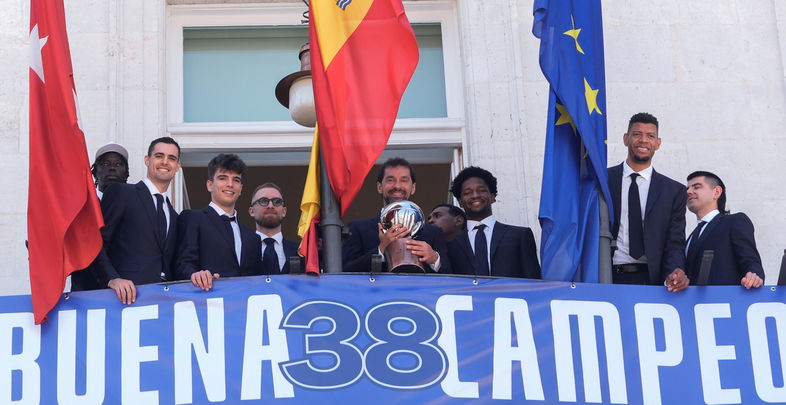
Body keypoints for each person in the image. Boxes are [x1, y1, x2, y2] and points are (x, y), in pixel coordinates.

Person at [93, 137, 181, 304]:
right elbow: (96, 241)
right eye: (159, 156)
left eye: (171, 158)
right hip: (124, 299)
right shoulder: (122, 192)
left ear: (177, 166)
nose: (165, 162)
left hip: (163, 302)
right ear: (147, 160)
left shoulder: (174, 215)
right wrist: (112, 279)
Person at [608, 112, 688, 291]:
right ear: (625, 139)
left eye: (650, 136)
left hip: (651, 281)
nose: (643, 140)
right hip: (606, 277)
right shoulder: (602, 180)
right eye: (637, 134)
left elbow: (675, 242)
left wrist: (676, 271)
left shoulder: (674, 191)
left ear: (658, 143)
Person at [342, 157, 450, 273]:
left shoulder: (433, 233)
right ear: (379, 187)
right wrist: (381, 249)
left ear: (413, 188)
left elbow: (453, 277)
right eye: (390, 180)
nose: (397, 186)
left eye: (404, 180)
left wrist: (434, 259)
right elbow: (346, 270)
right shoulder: (359, 228)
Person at [176, 154, 262, 290]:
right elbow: (182, 264)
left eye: (236, 180)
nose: (230, 184)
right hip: (206, 304)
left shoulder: (254, 238)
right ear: (210, 185)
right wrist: (195, 275)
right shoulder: (192, 218)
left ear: (241, 189)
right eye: (223, 178)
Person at [446, 166, 540, 278]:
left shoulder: (520, 235)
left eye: (481, 190)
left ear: (493, 197)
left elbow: (534, 281)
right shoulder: (450, 245)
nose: (475, 195)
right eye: (467, 192)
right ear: (460, 202)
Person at [684, 171, 764, 288]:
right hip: (694, 304)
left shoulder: (734, 221)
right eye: (687, 188)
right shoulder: (691, 237)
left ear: (716, 192)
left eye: (696, 187)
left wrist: (753, 275)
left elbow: (749, 258)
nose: (689, 192)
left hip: (725, 303)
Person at [71, 142, 131, 291]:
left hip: (126, 291)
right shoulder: (81, 206)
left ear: (126, 173)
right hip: (86, 291)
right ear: (94, 171)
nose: (112, 168)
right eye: (105, 163)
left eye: (118, 164)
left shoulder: (134, 206)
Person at [249, 182, 303, 274]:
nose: (270, 205)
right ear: (251, 211)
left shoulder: (302, 252)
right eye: (263, 201)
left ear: (284, 211)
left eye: (277, 202)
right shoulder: (240, 251)